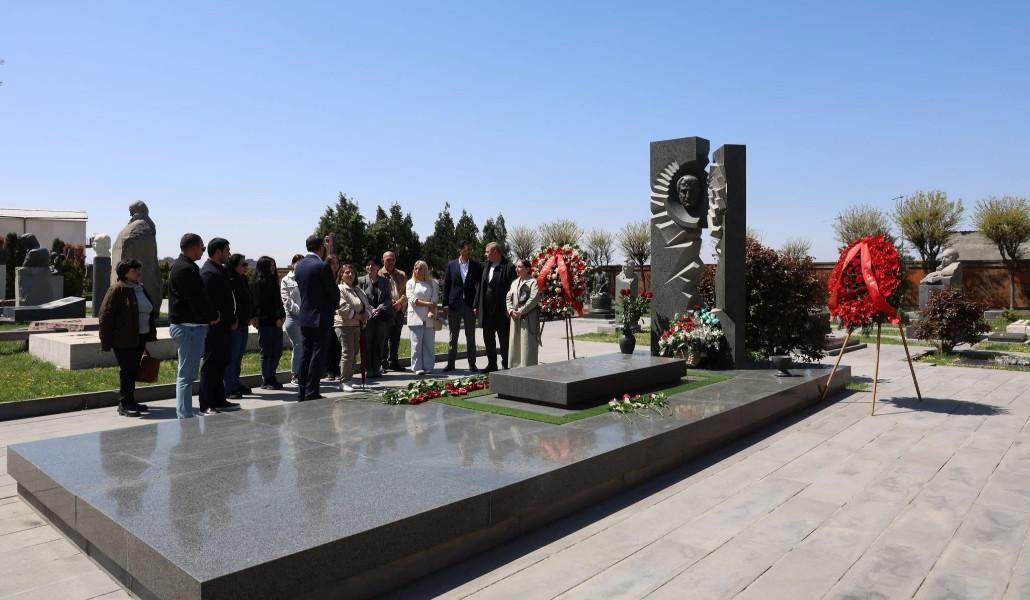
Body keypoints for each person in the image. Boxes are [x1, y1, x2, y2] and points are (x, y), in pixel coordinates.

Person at [98, 258, 157, 417]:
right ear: (124, 273)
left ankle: (130, 401)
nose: (138, 272)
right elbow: (105, 316)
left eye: (139, 269)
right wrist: (106, 341)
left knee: (133, 370)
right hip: (123, 339)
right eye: (134, 270)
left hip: (140, 336)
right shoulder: (117, 290)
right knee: (127, 370)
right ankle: (124, 404)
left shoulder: (140, 288)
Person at [168, 233, 218, 419]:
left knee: (187, 374)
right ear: (193, 247)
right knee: (186, 376)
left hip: (188, 326)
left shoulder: (181, 266)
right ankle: (185, 415)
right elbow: (196, 299)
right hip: (188, 328)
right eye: (202, 248)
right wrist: (211, 316)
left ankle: (185, 413)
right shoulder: (186, 269)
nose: (203, 251)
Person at [295, 234, 340, 401]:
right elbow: (332, 291)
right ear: (321, 248)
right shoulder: (322, 266)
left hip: (305, 316)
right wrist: (335, 303)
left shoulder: (299, 266)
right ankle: (312, 391)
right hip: (321, 317)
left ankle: (302, 391)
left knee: (306, 355)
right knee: (318, 355)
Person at [199, 238, 240, 414]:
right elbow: (207, 300)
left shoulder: (219, 270)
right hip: (215, 327)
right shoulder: (208, 272)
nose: (229, 254)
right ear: (218, 252)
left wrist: (233, 318)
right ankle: (206, 403)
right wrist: (213, 316)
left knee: (221, 363)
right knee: (211, 365)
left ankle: (219, 399)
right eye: (227, 251)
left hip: (225, 326)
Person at [442, 240, 482, 372]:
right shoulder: (451, 265)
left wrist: (477, 304)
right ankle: (450, 363)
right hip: (454, 305)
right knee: (453, 336)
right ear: (460, 250)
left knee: (470, 336)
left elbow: (479, 286)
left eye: (471, 249)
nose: (470, 251)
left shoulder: (476, 265)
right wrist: (445, 304)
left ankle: (472, 363)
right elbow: (447, 285)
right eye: (468, 249)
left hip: (470, 306)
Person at [475, 242, 516, 372]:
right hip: (486, 311)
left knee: (504, 340)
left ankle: (506, 364)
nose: (485, 254)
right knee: (488, 340)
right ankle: (492, 364)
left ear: (496, 252)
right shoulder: (485, 266)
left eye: (487, 252)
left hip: (502, 311)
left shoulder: (509, 267)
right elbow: (480, 286)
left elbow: (514, 290)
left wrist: (510, 308)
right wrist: (477, 305)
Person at [334, 263, 371, 392]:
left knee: (353, 353)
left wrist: (367, 314)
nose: (350, 275)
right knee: (347, 353)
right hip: (344, 325)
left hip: (357, 325)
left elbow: (367, 306)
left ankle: (349, 379)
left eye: (352, 272)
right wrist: (358, 316)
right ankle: (343, 381)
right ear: (341, 275)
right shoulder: (339, 289)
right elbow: (342, 308)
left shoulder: (357, 289)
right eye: (347, 273)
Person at [251, 256, 286, 390]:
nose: (273, 268)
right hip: (267, 323)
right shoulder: (259, 283)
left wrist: (282, 317)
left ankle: (272, 375)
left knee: (277, 351)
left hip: (277, 322)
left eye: (273, 265)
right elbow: (261, 305)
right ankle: (266, 378)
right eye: (270, 265)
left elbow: (278, 302)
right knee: (267, 351)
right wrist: (275, 319)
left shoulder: (273, 281)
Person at [224, 253, 254, 400]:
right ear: (235, 265)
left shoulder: (242, 278)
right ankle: (229, 387)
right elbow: (230, 302)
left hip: (244, 323)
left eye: (246, 264)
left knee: (239, 356)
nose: (245, 267)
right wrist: (233, 318)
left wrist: (251, 316)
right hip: (235, 324)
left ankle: (235, 382)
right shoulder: (229, 280)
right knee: (232, 357)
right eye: (243, 264)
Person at [358, 256, 394, 379]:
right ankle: (368, 369)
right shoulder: (360, 281)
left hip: (381, 317)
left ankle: (376, 368)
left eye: (373, 264)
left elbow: (388, 299)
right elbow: (358, 299)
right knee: (367, 343)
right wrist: (370, 309)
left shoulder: (385, 281)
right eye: (368, 264)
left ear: (378, 267)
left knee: (379, 343)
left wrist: (380, 308)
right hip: (367, 317)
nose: (370, 267)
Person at [506, 258, 541, 368]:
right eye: (516, 267)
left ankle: (528, 370)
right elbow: (508, 298)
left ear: (527, 269)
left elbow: (533, 299)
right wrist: (511, 310)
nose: (517, 269)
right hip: (515, 318)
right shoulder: (514, 282)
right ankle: (515, 369)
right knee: (515, 344)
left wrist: (521, 311)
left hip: (528, 319)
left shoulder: (533, 282)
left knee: (527, 345)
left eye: (519, 267)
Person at [406, 260, 438, 375]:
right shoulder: (410, 283)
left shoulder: (433, 283)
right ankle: (417, 367)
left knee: (429, 343)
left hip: (429, 316)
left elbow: (434, 299)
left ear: (425, 270)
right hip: (415, 317)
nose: (418, 271)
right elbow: (412, 300)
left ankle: (428, 366)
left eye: (421, 268)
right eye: (416, 268)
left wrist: (431, 310)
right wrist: (428, 304)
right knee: (416, 343)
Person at [380, 251, 408, 372]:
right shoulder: (379, 274)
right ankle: (383, 363)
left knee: (396, 338)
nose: (391, 262)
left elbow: (407, 292)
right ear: (383, 261)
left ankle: (394, 362)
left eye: (393, 259)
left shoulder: (401, 274)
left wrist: (400, 302)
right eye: (388, 260)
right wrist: (390, 303)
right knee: (384, 338)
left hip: (399, 310)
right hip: (385, 311)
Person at [280, 253, 304, 386]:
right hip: (293, 318)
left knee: (305, 346)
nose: (300, 265)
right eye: (297, 262)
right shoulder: (286, 280)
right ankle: (295, 375)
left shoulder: (307, 277)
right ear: (293, 264)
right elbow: (287, 301)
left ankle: (304, 373)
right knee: (298, 345)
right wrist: (301, 312)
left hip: (306, 318)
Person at [324, 255, 343, 382]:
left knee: (337, 345)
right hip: (328, 315)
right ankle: (330, 370)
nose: (335, 266)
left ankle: (335, 369)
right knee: (330, 344)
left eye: (337, 263)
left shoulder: (338, 278)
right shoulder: (325, 277)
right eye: (332, 263)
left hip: (337, 316)